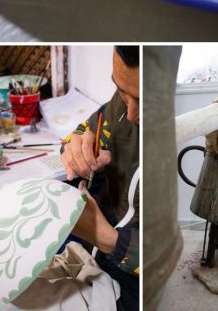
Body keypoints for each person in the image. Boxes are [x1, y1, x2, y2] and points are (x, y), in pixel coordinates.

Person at [60, 45, 139, 311]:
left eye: (145, 100)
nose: (131, 114)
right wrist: (76, 147)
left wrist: (107, 238)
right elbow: (85, 130)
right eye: (121, 90)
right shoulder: (125, 101)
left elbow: (168, 254)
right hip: (95, 256)